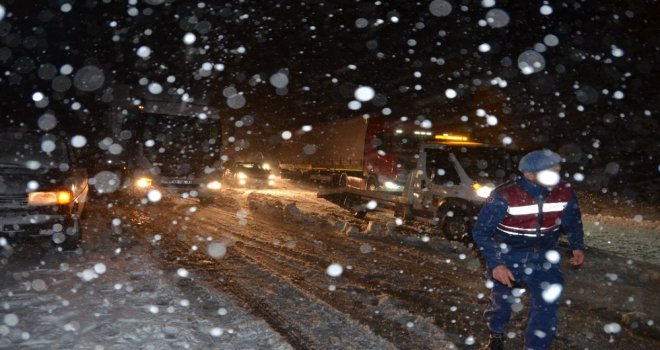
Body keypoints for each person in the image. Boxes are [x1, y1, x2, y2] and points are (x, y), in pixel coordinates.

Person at [472, 149, 586, 350]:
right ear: (530, 175)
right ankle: (496, 334)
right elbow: (481, 232)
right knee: (502, 303)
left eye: (558, 169)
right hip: (508, 255)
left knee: (546, 306)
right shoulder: (504, 195)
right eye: (551, 170)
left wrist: (577, 245)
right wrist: (497, 264)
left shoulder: (565, 191)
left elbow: (572, 221)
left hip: (544, 257)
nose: (557, 175)